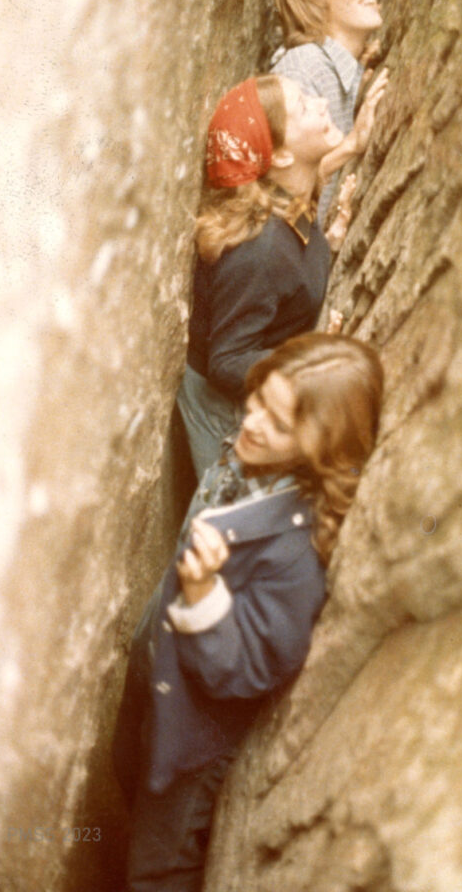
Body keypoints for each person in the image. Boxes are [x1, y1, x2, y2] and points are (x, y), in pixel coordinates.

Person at [113, 332, 384, 892]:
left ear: (323, 447)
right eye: (258, 398)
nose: (253, 422)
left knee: (159, 864)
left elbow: (247, 669)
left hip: (189, 742)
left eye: (279, 424)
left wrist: (203, 594)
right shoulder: (254, 458)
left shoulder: (295, 555)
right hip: (158, 680)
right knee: (126, 769)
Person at [178, 73, 352, 482]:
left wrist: (329, 242)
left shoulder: (290, 204)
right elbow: (227, 361)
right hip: (227, 415)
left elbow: (290, 277)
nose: (322, 104)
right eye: (304, 106)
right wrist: (309, 363)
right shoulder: (263, 248)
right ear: (282, 157)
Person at [272, 0, 388, 225]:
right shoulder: (304, 67)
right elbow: (282, 198)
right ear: (316, 3)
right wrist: (352, 144)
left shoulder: (339, 68)